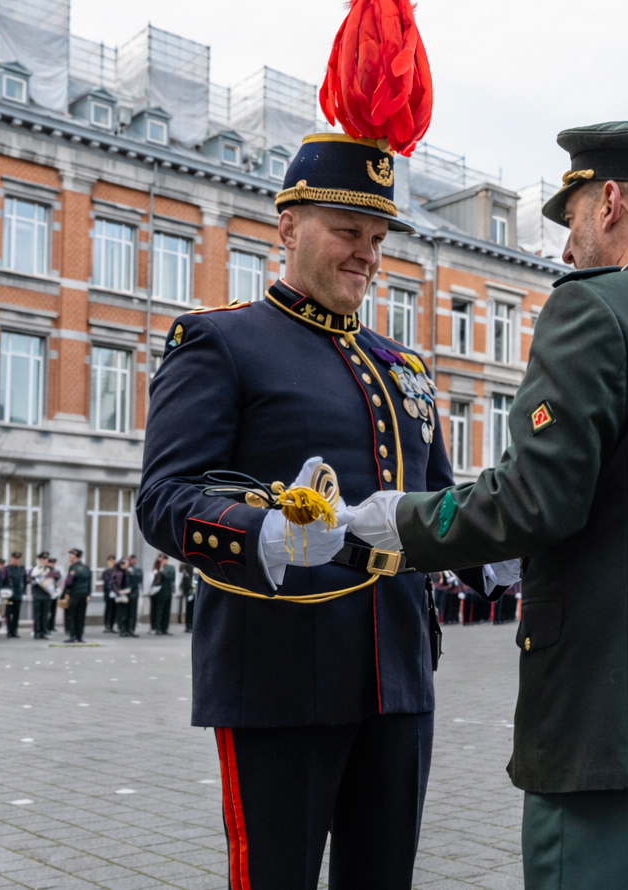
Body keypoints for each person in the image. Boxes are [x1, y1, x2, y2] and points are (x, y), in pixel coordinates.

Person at [349, 121, 628, 890]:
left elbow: (534, 501)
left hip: (611, 736)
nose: (564, 249)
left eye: (572, 217)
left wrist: (399, 521)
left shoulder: (596, 310)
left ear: (609, 201)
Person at [136, 114, 465, 887]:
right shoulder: (222, 342)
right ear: (285, 228)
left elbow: (440, 503)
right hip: (278, 673)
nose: (368, 254)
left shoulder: (402, 366)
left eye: (378, 238)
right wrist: (266, 534)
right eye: (348, 229)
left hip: (400, 675)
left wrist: (499, 552)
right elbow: (163, 499)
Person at [63, 548, 91, 644]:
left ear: (75, 557)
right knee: (81, 616)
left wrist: (64, 594)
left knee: (71, 615)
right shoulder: (86, 567)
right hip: (84, 595)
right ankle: (80, 636)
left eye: (71, 556)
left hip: (74, 595)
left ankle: (73, 636)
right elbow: (89, 582)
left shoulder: (72, 567)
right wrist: (88, 594)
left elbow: (68, 582)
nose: (70, 558)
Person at [30, 552, 57, 640]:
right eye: (41, 559)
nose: (43, 561)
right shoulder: (35, 569)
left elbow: (55, 579)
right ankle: (37, 632)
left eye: (45, 559)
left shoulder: (50, 569)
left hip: (46, 595)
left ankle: (44, 631)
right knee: (37, 614)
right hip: (38, 594)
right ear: (39, 560)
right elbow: (30, 580)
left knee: (45, 615)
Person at [147, 554, 175, 635]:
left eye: (163, 559)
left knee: (166, 610)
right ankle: (156, 627)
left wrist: (161, 569)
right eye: (160, 559)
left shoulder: (169, 567)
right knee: (157, 610)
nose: (162, 561)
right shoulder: (156, 566)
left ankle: (164, 628)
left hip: (167, 591)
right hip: (157, 592)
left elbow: (170, 576)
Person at [1, 552, 25, 638]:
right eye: (14, 559)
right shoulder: (7, 569)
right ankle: (9, 630)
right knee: (8, 613)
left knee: (16, 614)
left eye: (18, 559)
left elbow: (24, 581)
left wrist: (23, 592)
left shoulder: (22, 569)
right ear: (11, 559)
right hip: (9, 596)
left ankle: (14, 630)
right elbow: (2, 581)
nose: (16, 560)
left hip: (18, 595)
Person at [120, 555, 142, 638]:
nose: (132, 561)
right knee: (124, 613)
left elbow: (138, 580)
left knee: (132, 613)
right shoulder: (123, 569)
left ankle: (131, 630)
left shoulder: (137, 569)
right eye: (130, 559)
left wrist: (130, 572)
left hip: (133, 593)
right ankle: (123, 630)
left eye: (133, 559)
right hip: (124, 593)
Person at [102, 555, 120, 633]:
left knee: (114, 610)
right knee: (108, 610)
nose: (111, 562)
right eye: (110, 561)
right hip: (108, 593)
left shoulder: (116, 571)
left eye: (113, 561)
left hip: (115, 593)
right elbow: (107, 580)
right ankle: (107, 625)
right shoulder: (106, 572)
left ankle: (112, 625)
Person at [180, 561, 195, 632]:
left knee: (192, 609)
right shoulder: (188, 566)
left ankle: (191, 625)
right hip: (190, 591)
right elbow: (186, 580)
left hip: (194, 590)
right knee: (189, 609)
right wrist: (188, 591)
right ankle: (188, 625)